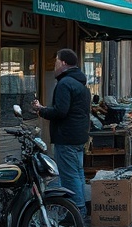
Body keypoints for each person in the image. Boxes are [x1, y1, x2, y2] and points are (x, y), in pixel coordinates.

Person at [32, 49, 91, 213]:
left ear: (64, 63)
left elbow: (61, 111)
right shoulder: (79, 83)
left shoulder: (65, 84)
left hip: (66, 137)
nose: (55, 64)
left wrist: (41, 110)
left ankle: (75, 212)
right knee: (78, 174)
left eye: (57, 60)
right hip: (78, 136)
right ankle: (80, 209)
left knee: (69, 177)